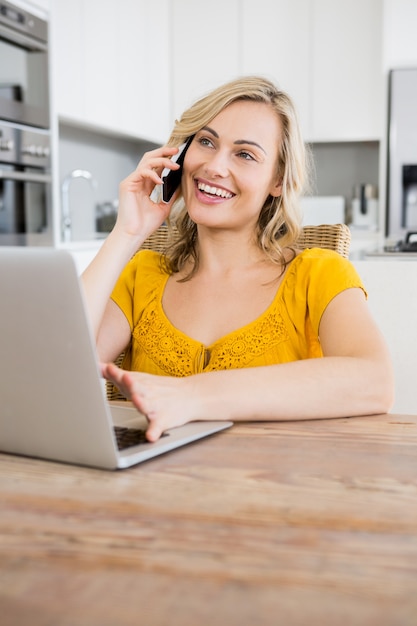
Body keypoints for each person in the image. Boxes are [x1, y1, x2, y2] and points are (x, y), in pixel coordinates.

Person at [82, 75, 394, 442]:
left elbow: (374, 382)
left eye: (245, 154)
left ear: (277, 180)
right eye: (205, 142)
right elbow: (57, 369)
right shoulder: (142, 275)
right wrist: (128, 233)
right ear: (179, 155)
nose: (215, 167)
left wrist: (192, 396)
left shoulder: (319, 274)